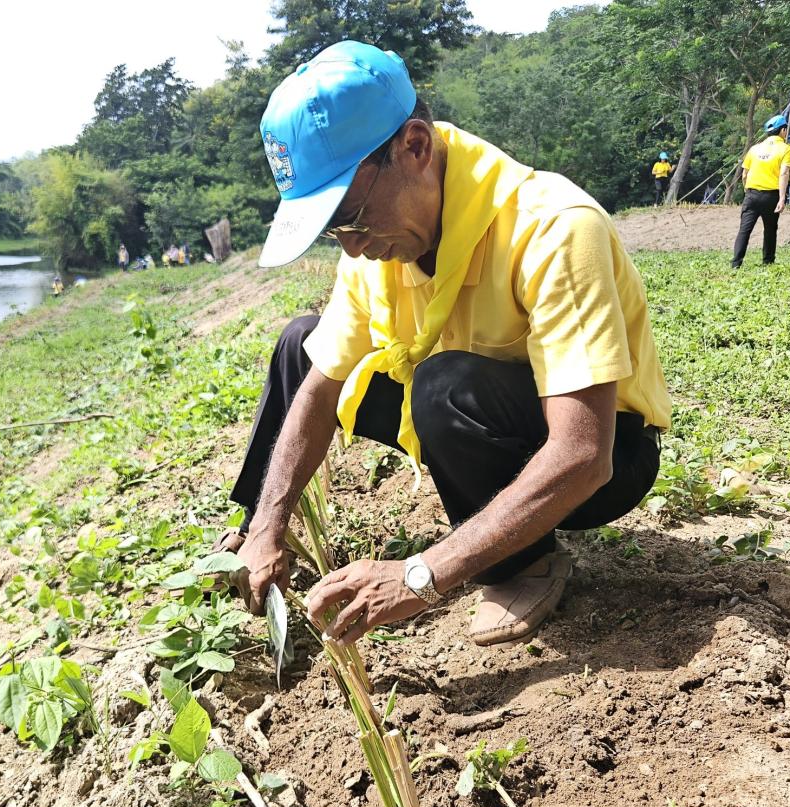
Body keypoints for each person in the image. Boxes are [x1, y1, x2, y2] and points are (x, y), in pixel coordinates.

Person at [219, 40, 671, 647]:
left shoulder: (554, 227)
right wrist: (270, 522)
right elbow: (321, 389)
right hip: (471, 419)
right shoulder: (379, 244)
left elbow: (585, 452)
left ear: (414, 147)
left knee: (444, 385)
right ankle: (251, 529)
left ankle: (525, 562)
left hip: (605, 456)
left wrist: (421, 574)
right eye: (333, 230)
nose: (352, 247)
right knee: (302, 345)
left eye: (353, 217)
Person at [731, 115, 790, 269]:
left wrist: (747, 190)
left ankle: (736, 264)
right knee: (770, 229)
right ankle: (768, 262)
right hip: (771, 196)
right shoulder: (786, 149)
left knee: (744, 230)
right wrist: (782, 198)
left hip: (751, 195)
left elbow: (744, 174)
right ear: (783, 130)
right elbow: (784, 173)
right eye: (785, 129)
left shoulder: (754, 148)